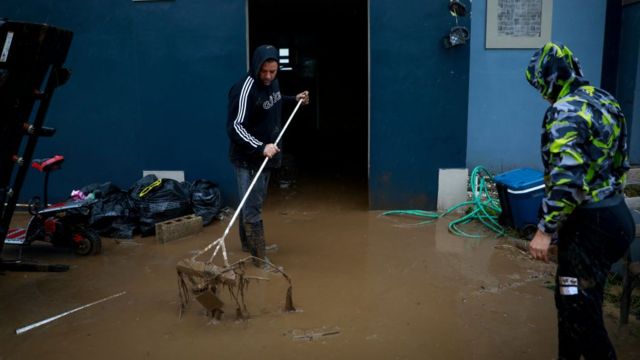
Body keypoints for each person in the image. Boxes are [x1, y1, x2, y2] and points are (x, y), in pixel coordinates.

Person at [525, 42, 635, 359]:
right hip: (615, 218)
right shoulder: (604, 99)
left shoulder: (563, 112)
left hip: (591, 231)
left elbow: (567, 180)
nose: (542, 94)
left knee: (583, 318)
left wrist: (545, 231)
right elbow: (620, 164)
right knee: (570, 299)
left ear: (549, 79)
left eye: (540, 85)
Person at [226, 44, 309, 268]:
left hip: (266, 154)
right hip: (248, 157)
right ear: (256, 66)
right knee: (253, 205)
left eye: (273, 71)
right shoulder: (244, 89)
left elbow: (274, 101)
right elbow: (235, 127)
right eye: (264, 71)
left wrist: (294, 99)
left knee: (251, 201)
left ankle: (248, 245)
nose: (268, 76)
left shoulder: (273, 83)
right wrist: (261, 146)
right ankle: (259, 259)